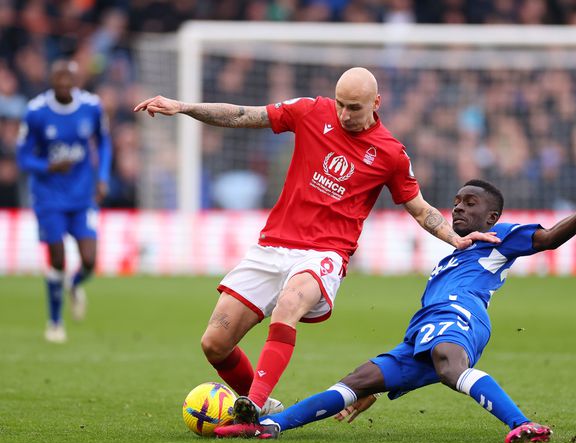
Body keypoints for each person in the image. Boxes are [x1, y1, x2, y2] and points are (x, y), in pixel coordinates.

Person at [133, 67, 490, 420]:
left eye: (354, 107)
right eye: (340, 104)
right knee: (214, 344)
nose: (344, 114)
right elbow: (244, 115)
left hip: (325, 254)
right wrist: (183, 106)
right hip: (272, 246)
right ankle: (261, 405)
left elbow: (419, 207)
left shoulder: (391, 153)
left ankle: (254, 402)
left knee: (290, 302)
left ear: (376, 103)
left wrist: (454, 238)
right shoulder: (310, 110)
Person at [214, 174, 576, 443]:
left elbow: (549, 238)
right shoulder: (449, 257)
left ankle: (523, 424)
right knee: (359, 380)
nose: (459, 208)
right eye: (457, 202)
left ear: (493, 215)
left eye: (470, 203)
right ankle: (267, 426)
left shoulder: (500, 235)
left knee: (449, 364)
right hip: (421, 332)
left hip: (459, 317)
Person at [16, 59, 112, 343]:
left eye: (68, 78)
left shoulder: (92, 107)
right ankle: (55, 321)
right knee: (57, 258)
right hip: (49, 197)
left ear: (75, 80)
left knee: (90, 260)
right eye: (58, 78)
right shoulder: (36, 112)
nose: (63, 83)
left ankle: (74, 284)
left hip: (82, 196)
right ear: (51, 79)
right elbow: (22, 157)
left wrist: (103, 177)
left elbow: (104, 143)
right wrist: (48, 167)